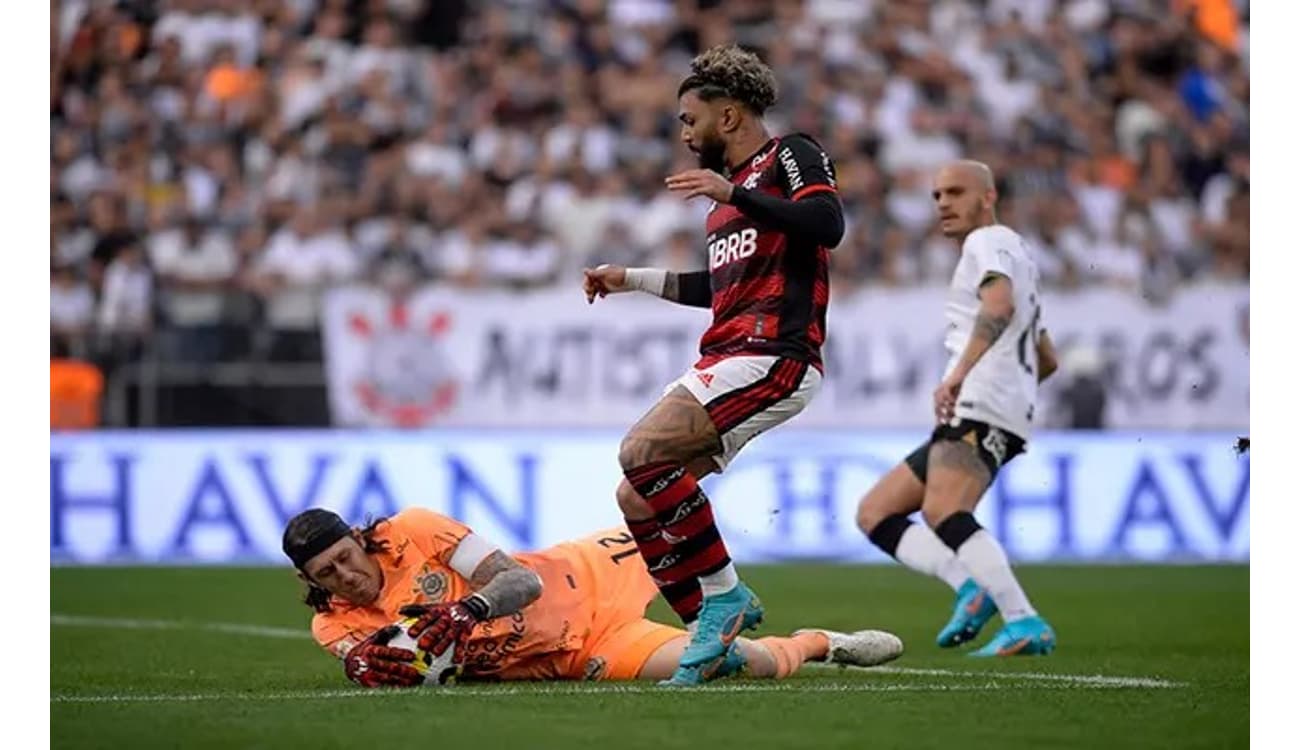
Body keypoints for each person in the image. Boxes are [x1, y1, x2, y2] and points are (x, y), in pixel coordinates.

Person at [581, 44, 844, 685]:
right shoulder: (723, 203)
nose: (682, 130)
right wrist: (632, 279)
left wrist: (736, 192)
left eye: (687, 117)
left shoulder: (791, 154)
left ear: (728, 117)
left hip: (774, 354)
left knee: (640, 451)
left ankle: (724, 596)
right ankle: (713, 633)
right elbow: (722, 288)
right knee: (636, 495)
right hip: (728, 351)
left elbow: (827, 223)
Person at [282, 507, 903, 687]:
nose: (346, 576)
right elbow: (374, 665)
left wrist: (466, 608)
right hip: (577, 653)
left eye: (345, 558)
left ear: (359, 539)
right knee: (735, 663)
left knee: (665, 514)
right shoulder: (335, 627)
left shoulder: (415, 529)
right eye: (327, 574)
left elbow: (518, 581)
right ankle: (822, 643)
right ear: (311, 583)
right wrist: (361, 669)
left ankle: (729, 586)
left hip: (585, 571)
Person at [854, 161, 1060, 657]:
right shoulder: (1018, 253)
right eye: (937, 194)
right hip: (993, 400)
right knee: (875, 512)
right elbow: (1047, 357)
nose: (943, 202)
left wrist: (961, 375)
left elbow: (998, 307)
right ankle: (971, 588)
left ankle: (1022, 618)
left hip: (982, 400)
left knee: (944, 510)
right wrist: (1015, 386)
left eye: (956, 192)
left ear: (988, 197)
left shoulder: (986, 243)